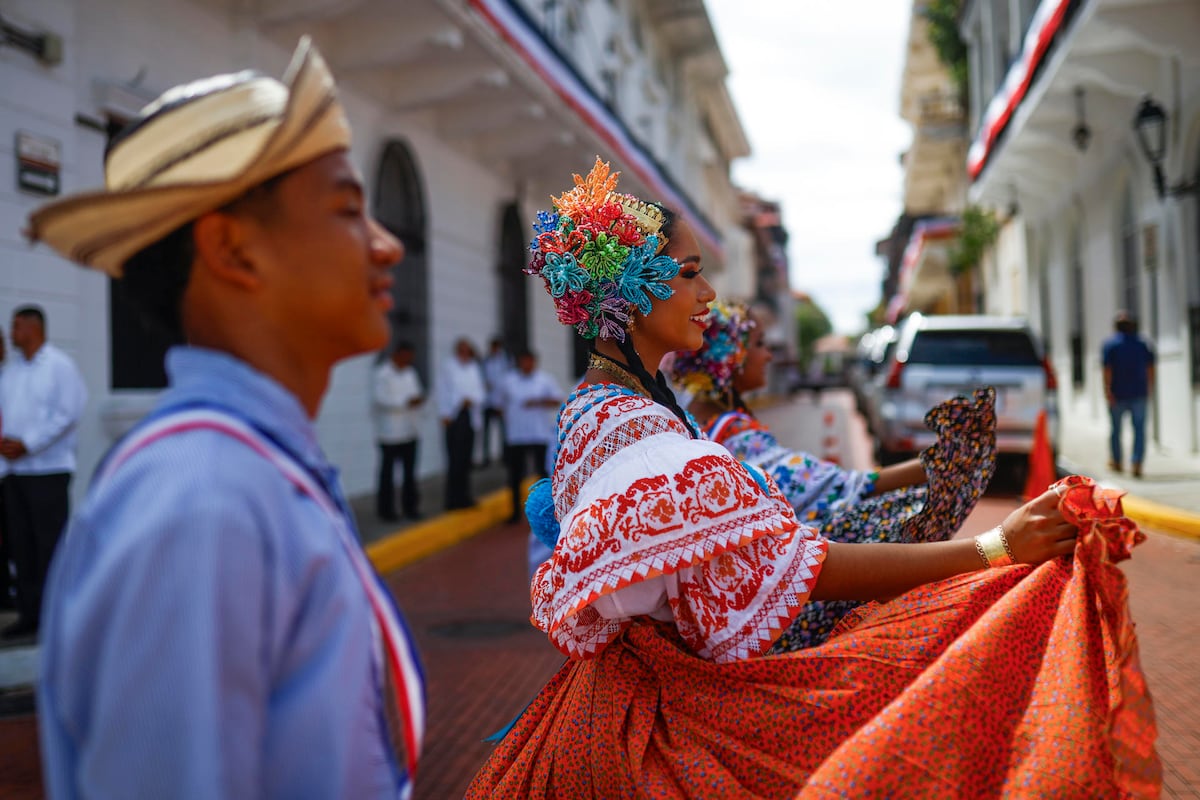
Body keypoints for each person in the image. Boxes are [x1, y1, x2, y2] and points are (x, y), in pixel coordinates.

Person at [467, 159, 1159, 798]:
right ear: (631, 286)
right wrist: (996, 550)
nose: (707, 295)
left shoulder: (597, 412)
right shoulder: (650, 443)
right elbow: (804, 562)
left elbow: (812, 518)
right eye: (688, 272)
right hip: (660, 736)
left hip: (611, 712)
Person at [27, 40, 425, 798]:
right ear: (233, 248)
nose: (387, 244)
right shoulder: (203, 504)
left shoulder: (247, 477)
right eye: (347, 209)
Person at [668, 300, 993, 650]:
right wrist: (937, 467)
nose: (769, 356)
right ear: (730, 357)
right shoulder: (730, 435)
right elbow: (830, 487)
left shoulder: (694, 426)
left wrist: (935, 465)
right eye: (760, 344)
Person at [0, 306, 87, 641]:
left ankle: (55, 616)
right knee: (21, 547)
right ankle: (29, 615)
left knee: (48, 546)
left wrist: (28, 444)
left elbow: (68, 413)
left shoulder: (59, 366)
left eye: (17, 326)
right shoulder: (12, 371)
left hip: (48, 470)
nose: (12, 332)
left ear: (35, 328)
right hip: (15, 472)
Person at [499, 348, 562, 524]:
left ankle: (546, 509)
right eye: (524, 361)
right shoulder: (508, 381)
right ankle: (515, 512)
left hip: (538, 433)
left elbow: (557, 399)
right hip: (516, 435)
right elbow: (499, 403)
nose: (527, 364)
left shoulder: (545, 380)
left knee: (541, 473)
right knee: (515, 474)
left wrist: (539, 401)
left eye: (530, 361)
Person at [373, 340, 424, 521]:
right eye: (406, 357)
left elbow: (416, 393)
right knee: (387, 474)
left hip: (409, 430)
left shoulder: (411, 373)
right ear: (397, 355)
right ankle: (386, 511)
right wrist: (405, 402)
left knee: (410, 474)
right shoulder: (382, 374)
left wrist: (417, 401)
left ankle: (410, 508)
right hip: (389, 434)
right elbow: (380, 400)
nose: (408, 361)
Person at [1103, 310, 1155, 478]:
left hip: (1118, 394)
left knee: (1116, 429)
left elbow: (1107, 370)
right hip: (1139, 392)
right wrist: (1150, 387)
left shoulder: (1110, 345)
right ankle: (1136, 463)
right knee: (1139, 430)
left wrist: (1107, 390)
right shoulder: (1142, 344)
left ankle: (1117, 461)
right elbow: (1150, 368)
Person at [436, 337, 486, 509]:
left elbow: (480, 391)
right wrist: (445, 412)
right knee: (454, 460)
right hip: (454, 416)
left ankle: (465, 497)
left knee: (466, 460)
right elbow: (443, 391)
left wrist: (472, 400)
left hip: (470, 416)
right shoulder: (449, 367)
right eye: (462, 350)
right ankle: (452, 500)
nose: (465, 353)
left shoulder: (473, 367)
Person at [480, 336, 511, 466]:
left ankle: (505, 456)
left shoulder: (505, 362)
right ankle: (486, 457)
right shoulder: (486, 361)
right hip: (488, 401)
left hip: (501, 402)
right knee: (486, 431)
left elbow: (506, 382)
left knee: (503, 431)